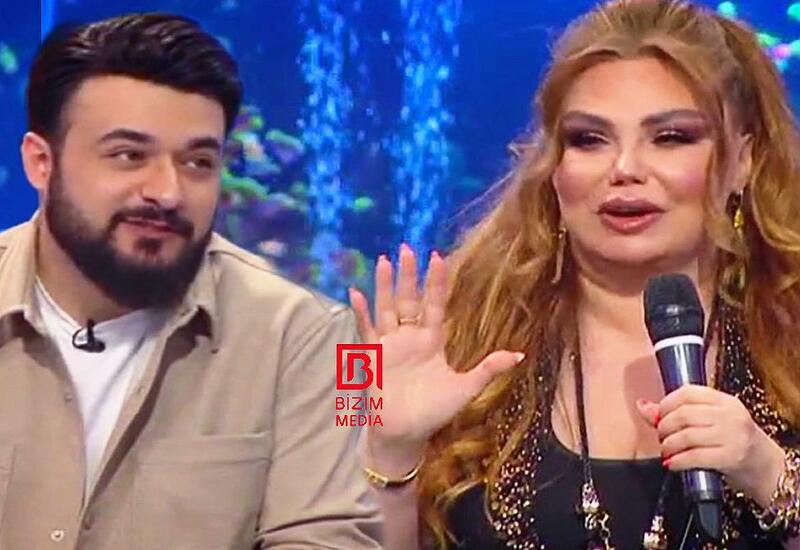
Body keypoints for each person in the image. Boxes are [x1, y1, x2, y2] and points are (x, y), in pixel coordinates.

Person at [349, 0, 800, 548]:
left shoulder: (789, 331)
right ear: (553, 165)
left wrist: (770, 474)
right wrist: (388, 453)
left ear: (742, 160)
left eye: (671, 137)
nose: (625, 169)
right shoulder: (421, 339)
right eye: (589, 139)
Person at [0, 13, 380, 549]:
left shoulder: (314, 336)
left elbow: (330, 536)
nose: (167, 191)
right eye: (129, 155)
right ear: (41, 163)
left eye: (198, 162)